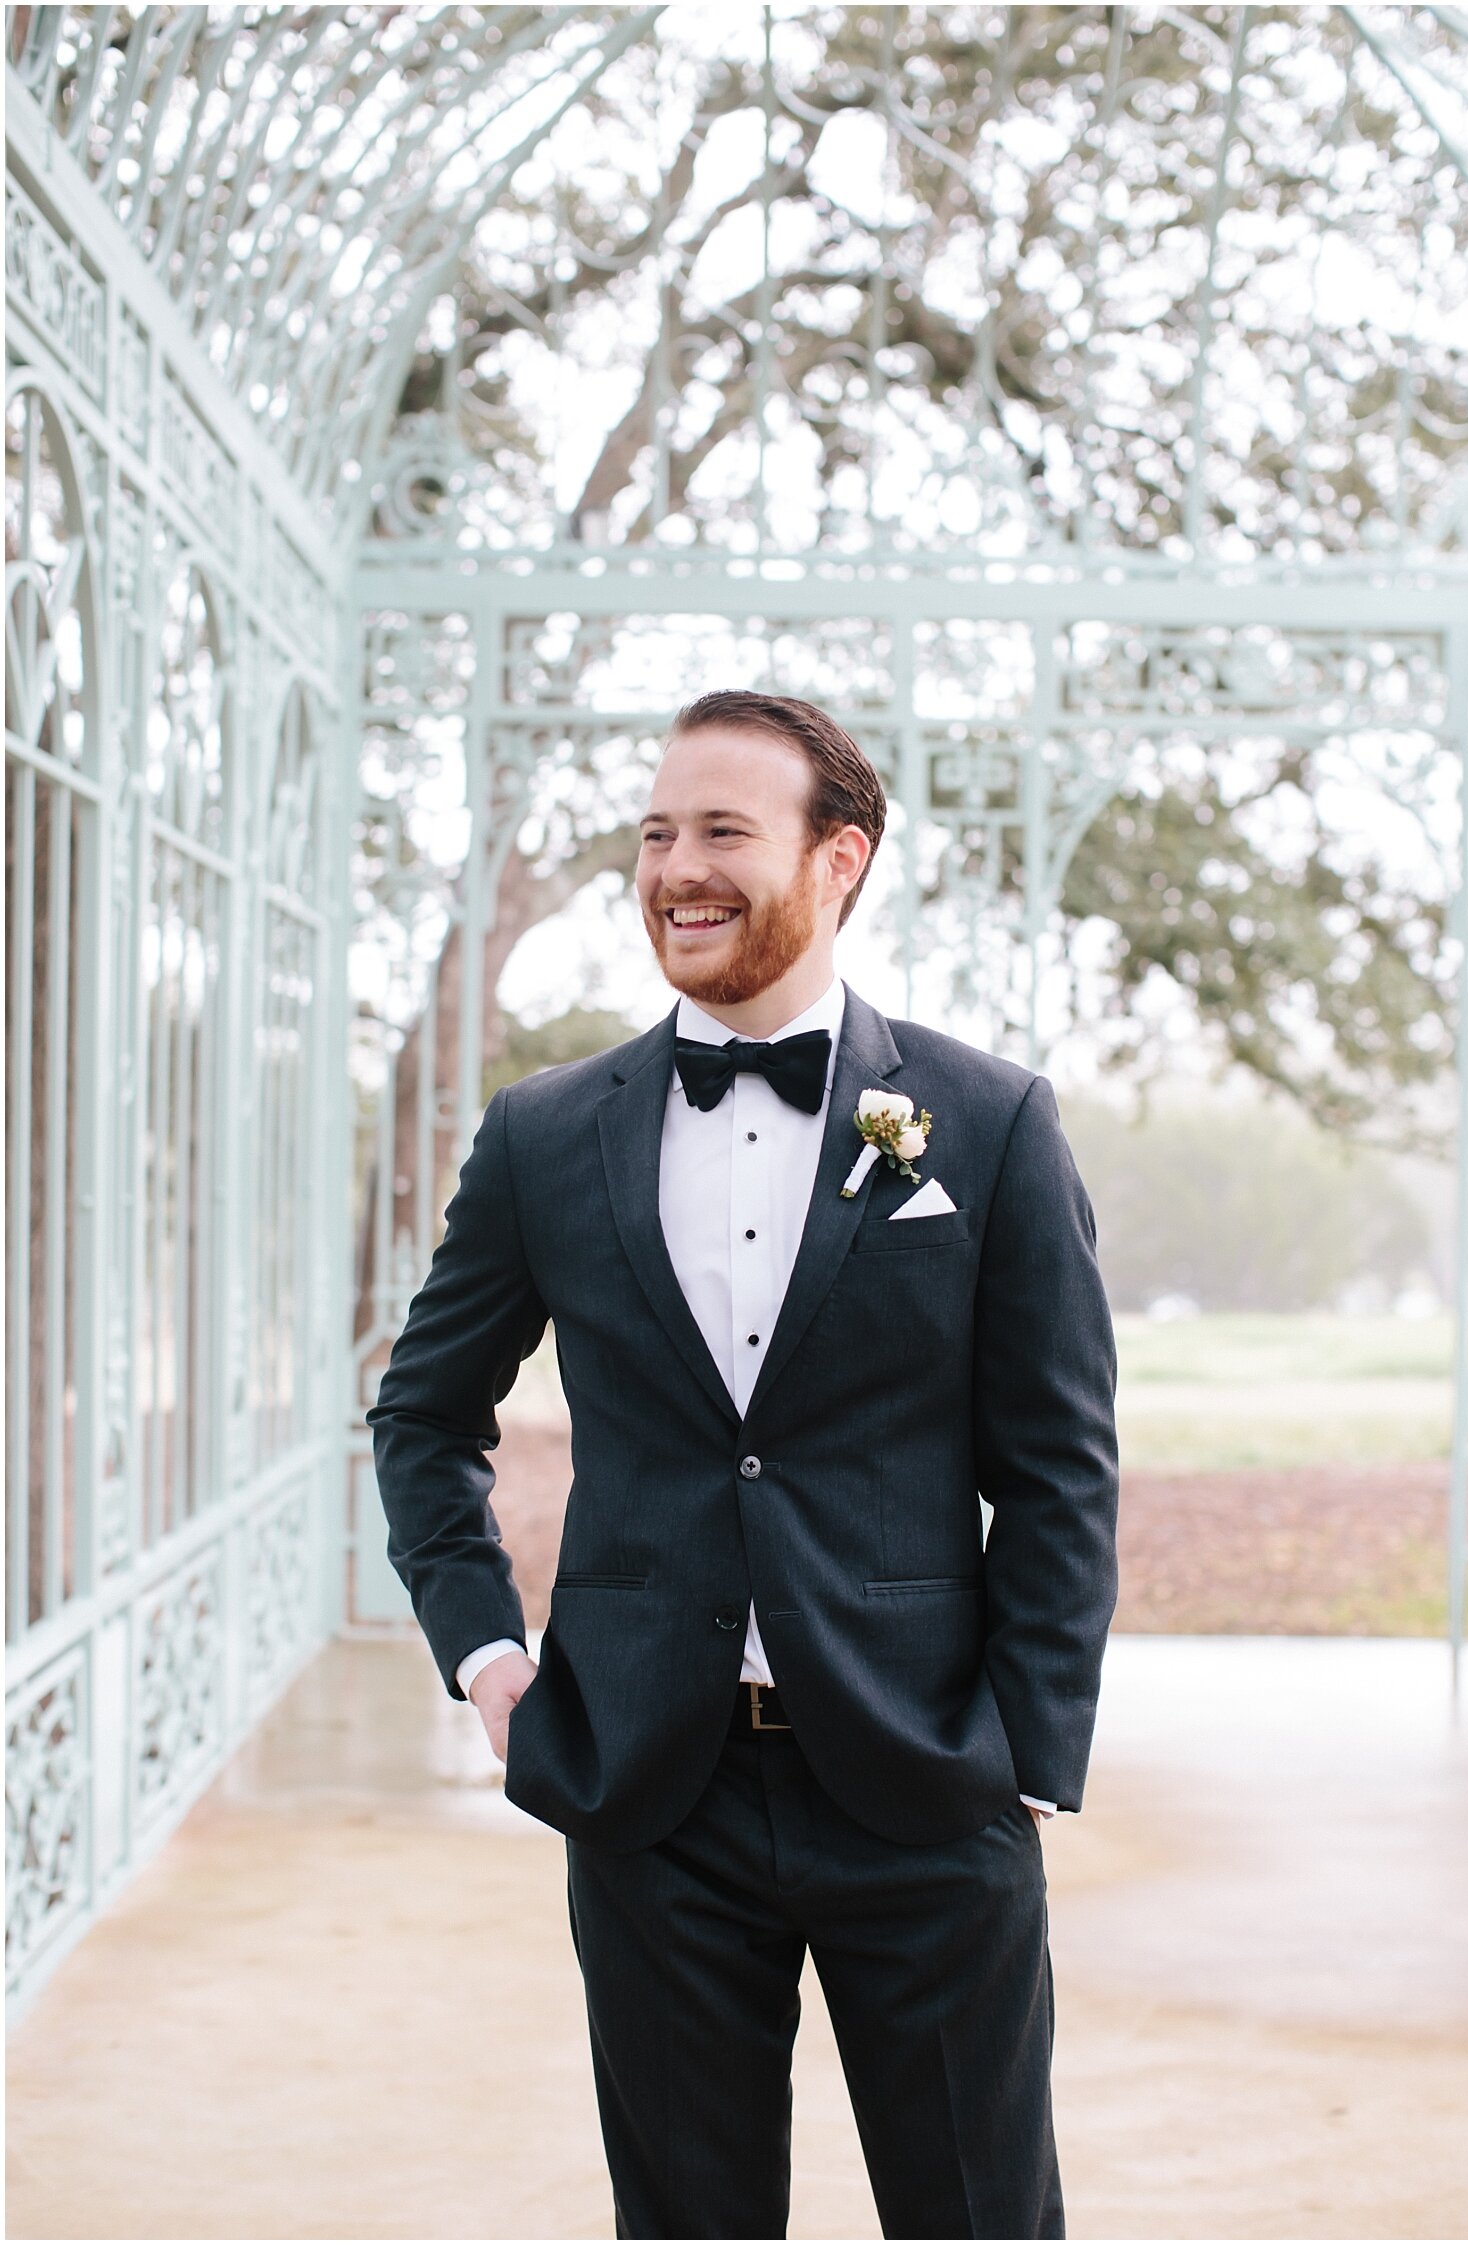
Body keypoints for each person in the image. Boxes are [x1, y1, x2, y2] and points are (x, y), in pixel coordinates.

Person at [367, 689, 1119, 2241]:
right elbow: (423, 1412)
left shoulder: (987, 1125)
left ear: (838, 860)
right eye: (655, 834)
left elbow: (1060, 1464)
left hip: (926, 1778)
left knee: (981, 2217)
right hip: (651, 1791)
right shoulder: (546, 1132)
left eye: (722, 832)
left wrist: (1026, 1751)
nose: (676, 870)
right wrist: (490, 1659)